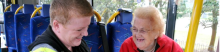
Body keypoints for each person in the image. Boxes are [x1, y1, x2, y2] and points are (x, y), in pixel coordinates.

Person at [28, 0, 93, 52]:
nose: (86, 34)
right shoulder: (43, 50)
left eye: (87, 27)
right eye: (79, 29)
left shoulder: (77, 43)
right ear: (57, 26)